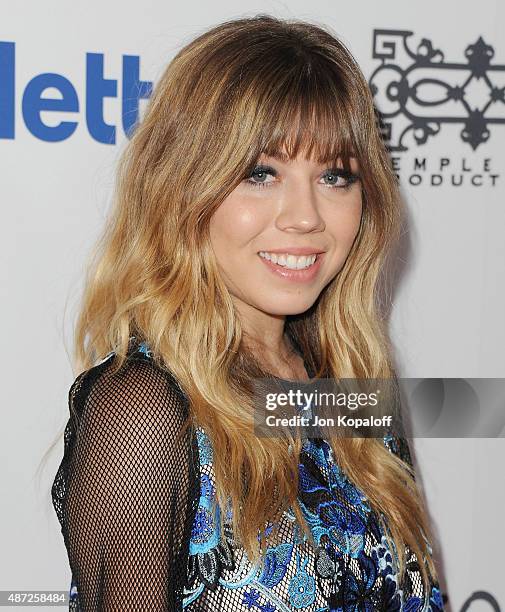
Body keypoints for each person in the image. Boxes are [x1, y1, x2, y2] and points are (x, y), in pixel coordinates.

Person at [51, 13, 445, 611]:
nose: (306, 215)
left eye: (335, 175)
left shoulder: (351, 385)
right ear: (184, 187)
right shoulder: (143, 410)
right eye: (262, 173)